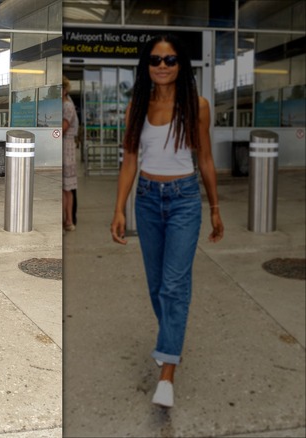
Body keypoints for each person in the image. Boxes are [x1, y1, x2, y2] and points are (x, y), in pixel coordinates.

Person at [110, 34, 224, 408]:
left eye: (170, 60)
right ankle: (171, 340)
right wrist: (119, 208)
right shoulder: (136, 107)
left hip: (184, 201)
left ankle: (167, 371)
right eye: (156, 60)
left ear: (181, 65)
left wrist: (215, 207)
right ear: (146, 66)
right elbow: (129, 160)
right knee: (157, 285)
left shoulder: (197, 106)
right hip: (146, 200)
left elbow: (205, 159)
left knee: (174, 285)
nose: (162, 66)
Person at [62, 75, 78, 232]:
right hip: (64, 149)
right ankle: (67, 219)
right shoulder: (64, 104)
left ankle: (69, 219)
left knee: (67, 187)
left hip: (66, 150)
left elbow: (63, 128)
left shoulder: (67, 106)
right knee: (65, 187)